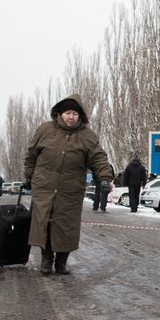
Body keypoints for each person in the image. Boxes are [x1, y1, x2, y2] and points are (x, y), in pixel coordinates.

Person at [24, 94, 113, 275]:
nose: (71, 117)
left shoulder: (87, 136)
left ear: (80, 116)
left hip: (70, 190)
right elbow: (31, 154)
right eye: (67, 113)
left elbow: (98, 158)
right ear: (60, 113)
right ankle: (46, 260)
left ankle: (62, 262)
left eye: (74, 113)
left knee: (67, 226)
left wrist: (105, 177)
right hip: (44, 187)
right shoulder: (45, 130)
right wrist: (28, 176)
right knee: (45, 223)